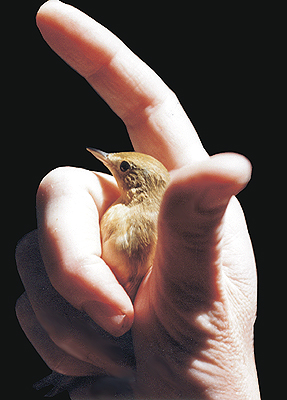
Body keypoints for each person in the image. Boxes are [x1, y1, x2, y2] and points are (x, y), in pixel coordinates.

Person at [15, 1, 261, 399]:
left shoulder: (163, 226)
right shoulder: (115, 207)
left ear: (142, 183)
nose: (111, 166)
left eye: (123, 168)